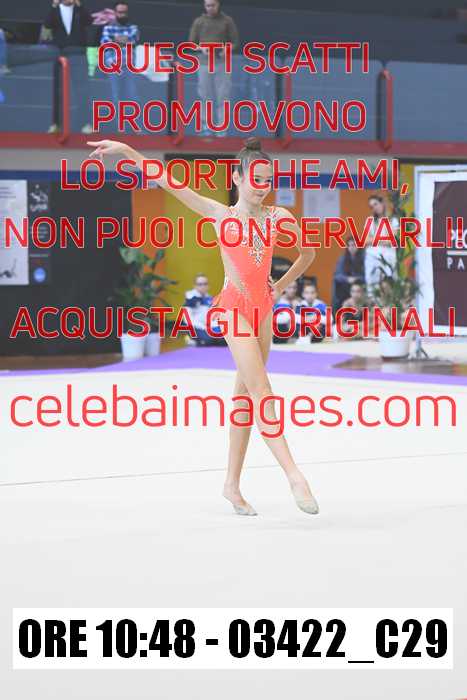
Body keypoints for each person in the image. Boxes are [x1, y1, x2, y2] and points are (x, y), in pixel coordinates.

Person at [88, 136, 319, 516]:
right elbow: (169, 181)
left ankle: (231, 485)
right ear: (238, 177)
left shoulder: (280, 218)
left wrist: (279, 286)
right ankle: (295, 476)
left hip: (262, 309)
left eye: (268, 180)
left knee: (245, 396)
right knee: (261, 390)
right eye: (256, 179)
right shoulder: (220, 215)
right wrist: (128, 152)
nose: (263, 187)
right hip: (233, 309)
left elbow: (308, 253)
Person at [188, 0, 239, 137]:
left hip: (222, 63)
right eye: (208, 5)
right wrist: (202, 48)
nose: (210, 8)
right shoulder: (199, 21)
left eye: (213, 5)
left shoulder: (227, 21)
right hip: (204, 63)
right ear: (204, 6)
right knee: (205, 95)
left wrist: (226, 49)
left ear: (218, 5)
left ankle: (222, 128)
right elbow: (191, 43)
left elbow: (235, 42)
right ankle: (206, 126)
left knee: (223, 96)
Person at [44, 0, 93, 133]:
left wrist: (80, 5)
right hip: (60, 55)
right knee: (58, 90)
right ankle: (56, 124)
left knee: (82, 90)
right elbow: (47, 24)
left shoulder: (79, 10)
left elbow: (89, 21)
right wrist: (54, 5)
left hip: (78, 54)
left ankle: (85, 123)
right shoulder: (55, 10)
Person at [100, 2, 140, 109]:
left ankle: (132, 118)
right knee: (114, 96)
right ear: (115, 13)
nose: (122, 15)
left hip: (128, 67)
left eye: (125, 12)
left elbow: (133, 40)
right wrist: (123, 41)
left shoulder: (133, 27)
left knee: (132, 95)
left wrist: (114, 39)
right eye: (120, 12)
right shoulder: (108, 28)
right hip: (113, 67)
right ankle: (116, 118)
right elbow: (105, 43)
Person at [364, 194, 399, 299]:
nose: (374, 207)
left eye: (376, 204)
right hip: (372, 257)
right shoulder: (370, 221)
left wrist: (374, 239)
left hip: (388, 257)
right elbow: (365, 240)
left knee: (390, 285)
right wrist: (383, 238)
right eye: (371, 206)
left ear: (382, 203)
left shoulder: (393, 220)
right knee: (372, 287)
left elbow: (391, 240)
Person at [183, 273, 226, 346]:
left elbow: (212, 316)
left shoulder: (209, 298)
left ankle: (199, 341)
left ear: (208, 286)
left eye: (205, 284)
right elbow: (188, 319)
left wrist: (215, 327)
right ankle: (191, 339)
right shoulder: (190, 298)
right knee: (208, 340)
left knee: (223, 339)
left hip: (208, 326)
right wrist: (203, 327)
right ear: (195, 286)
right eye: (200, 284)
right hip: (196, 326)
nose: (203, 286)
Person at [332, 237, 365, 314]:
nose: (351, 248)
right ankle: (339, 313)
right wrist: (347, 279)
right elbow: (337, 276)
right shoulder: (343, 259)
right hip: (346, 286)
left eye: (354, 245)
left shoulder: (363, 258)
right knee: (337, 285)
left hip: (359, 284)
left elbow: (366, 276)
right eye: (349, 245)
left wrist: (356, 279)